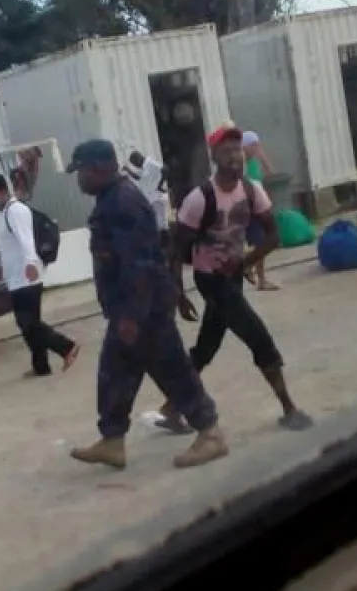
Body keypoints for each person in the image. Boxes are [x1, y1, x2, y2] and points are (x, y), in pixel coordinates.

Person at [67, 138, 228, 470]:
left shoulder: (122, 203)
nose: (79, 178)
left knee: (172, 370)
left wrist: (131, 317)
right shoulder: (110, 199)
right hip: (132, 309)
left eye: (80, 171)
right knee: (115, 372)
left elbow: (138, 265)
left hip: (145, 310)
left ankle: (210, 433)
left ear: (98, 168)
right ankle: (112, 441)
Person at [160, 126, 312, 433]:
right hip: (211, 280)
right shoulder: (199, 199)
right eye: (227, 150)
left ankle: (172, 406)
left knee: (207, 345)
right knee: (258, 338)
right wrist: (179, 293)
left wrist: (245, 262)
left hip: (233, 277)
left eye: (237, 149)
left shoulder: (252, 189)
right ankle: (288, 407)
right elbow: (176, 250)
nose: (235, 156)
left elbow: (273, 235)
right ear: (214, 157)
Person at [0, 172, 80, 378]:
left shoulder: (15, 210)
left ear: (3, 191)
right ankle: (41, 366)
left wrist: (30, 263)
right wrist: (4, 267)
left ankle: (67, 347)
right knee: (29, 324)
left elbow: (26, 239)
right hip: (16, 277)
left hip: (27, 276)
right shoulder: (3, 214)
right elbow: (8, 246)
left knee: (28, 323)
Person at [240, 130, 280, 291]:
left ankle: (257, 274)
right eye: (253, 145)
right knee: (260, 242)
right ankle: (249, 267)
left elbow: (269, 173)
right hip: (248, 208)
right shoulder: (241, 164)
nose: (257, 148)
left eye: (257, 145)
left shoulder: (254, 163)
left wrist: (262, 157)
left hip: (258, 207)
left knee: (261, 242)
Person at [123, 149, 170, 234]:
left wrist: (159, 185)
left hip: (157, 199)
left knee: (161, 225)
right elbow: (138, 177)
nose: (136, 166)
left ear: (138, 159)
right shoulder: (144, 166)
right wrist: (128, 170)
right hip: (150, 200)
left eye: (135, 164)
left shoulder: (150, 163)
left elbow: (165, 170)